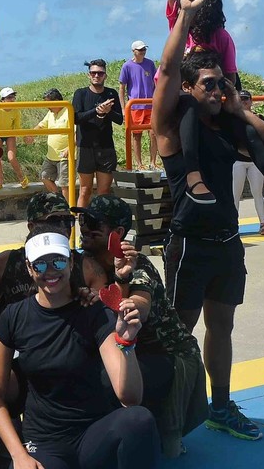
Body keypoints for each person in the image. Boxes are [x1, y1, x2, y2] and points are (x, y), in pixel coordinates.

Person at [152, 0, 264, 441]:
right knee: (180, 332)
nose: (215, 89)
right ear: (189, 89)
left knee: (222, 327)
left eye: (220, 82)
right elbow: (168, 68)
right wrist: (185, 17)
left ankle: (221, 406)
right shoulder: (171, 128)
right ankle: (166, 412)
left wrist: (243, 111)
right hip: (189, 243)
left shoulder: (228, 129)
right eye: (206, 84)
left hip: (227, 242)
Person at [0, 229, 160, 468]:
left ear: (71, 261)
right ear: (29, 267)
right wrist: (18, 454)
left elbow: (129, 397)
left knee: (139, 419)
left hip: (93, 433)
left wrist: (127, 343)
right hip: (45, 441)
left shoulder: (94, 312)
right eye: (40, 264)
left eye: (58, 261)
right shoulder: (13, 318)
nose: (50, 271)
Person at [77, 196, 207, 458]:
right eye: (81, 220)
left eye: (92, 222)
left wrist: (127, 298)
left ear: (118, 233)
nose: (83, 227)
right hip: (130, 354)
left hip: (169, 357)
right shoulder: (84, 263)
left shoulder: (137, 266)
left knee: (105, 379)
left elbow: (140, 304)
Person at [73, 59, 123, 206]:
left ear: (105, 76)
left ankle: (102, 225)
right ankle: (81, 224)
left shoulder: (111, 93)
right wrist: (96, 111)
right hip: (86, 147)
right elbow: (76, 118)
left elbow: (120, 119)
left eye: (100, 73)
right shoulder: (80, 94)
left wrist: (108, 112)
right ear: (89, 75)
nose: (96, 76)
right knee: (85, 190)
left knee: (104, 192)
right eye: (93, 73)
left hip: (106, 147)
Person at [233, 90, 264, 235]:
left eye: (246, 99)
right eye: (241, 99)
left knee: (258, 193)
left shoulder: (258, 118)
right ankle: (233, 225)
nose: (244, 101)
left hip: (254, 161)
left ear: (251, 101)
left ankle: (263, 224)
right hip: (237, 161)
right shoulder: (233, 119)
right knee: (235, 195)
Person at [119, 40, 158, 170]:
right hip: (135, 106)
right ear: (134, 51)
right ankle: (139, 163)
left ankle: (153, 162)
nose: (143, 52)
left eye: (144, 49)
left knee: (153, 133)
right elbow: (122, 88)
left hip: (150, 105)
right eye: (140, 50)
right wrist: (124, 108)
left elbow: (156, 82)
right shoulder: (127, 66)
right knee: (136, 135)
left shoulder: (150, 64)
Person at [28, 89, 70, 196]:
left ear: (56, 101)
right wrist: (31, 134)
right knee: (44, 176)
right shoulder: (50, 113)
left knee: (65, 185)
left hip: (65, 156)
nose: (48, 107)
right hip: (51, 156)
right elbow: (41, 125)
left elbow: (77, 132)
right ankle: (59, 200)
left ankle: (69, 210)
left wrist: (69, 148)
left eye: (49, 103)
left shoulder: (69, 111)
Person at [0, 86, 28, 191]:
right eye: (9, 97)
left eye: (13, 97)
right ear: (2, 100)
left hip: (9, 134)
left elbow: (18, 127)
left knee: (11, 158)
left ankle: (22, 178)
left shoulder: (15, 110)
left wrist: (24, 136)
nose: (12, 99)